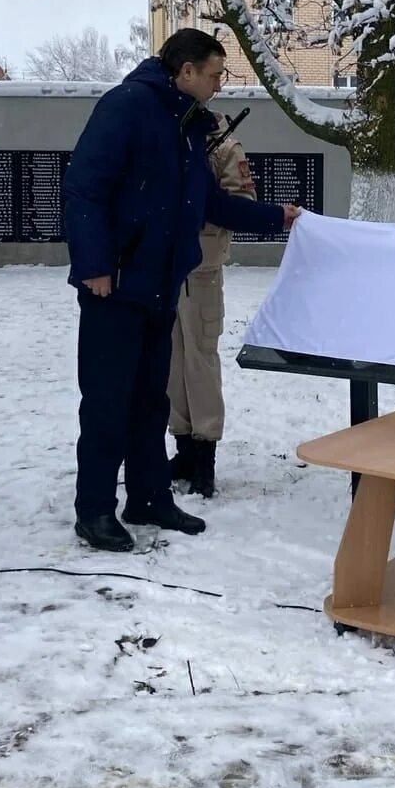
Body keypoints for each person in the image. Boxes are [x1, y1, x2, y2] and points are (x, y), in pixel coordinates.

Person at [64, 28, 300, 552]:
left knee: (152, 398)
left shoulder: (188, 123)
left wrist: (275, 216)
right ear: (185, 70)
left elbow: (206, 202)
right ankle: (95, 509)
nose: (220, 84)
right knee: (107, 401)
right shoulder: (127, 106)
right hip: (116, 284)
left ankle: (148, 497)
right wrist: (95, 265)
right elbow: (84, 185)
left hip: (160, 283)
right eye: (214, 74)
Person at [167, 112, 257, 499]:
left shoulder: (223, 145)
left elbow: (243, 202)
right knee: (171, 361)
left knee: (200, 361)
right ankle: (183, 446)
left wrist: (196, 191)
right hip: (164, 265)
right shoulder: (167, 131)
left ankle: (205, 454)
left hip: (202, 267)